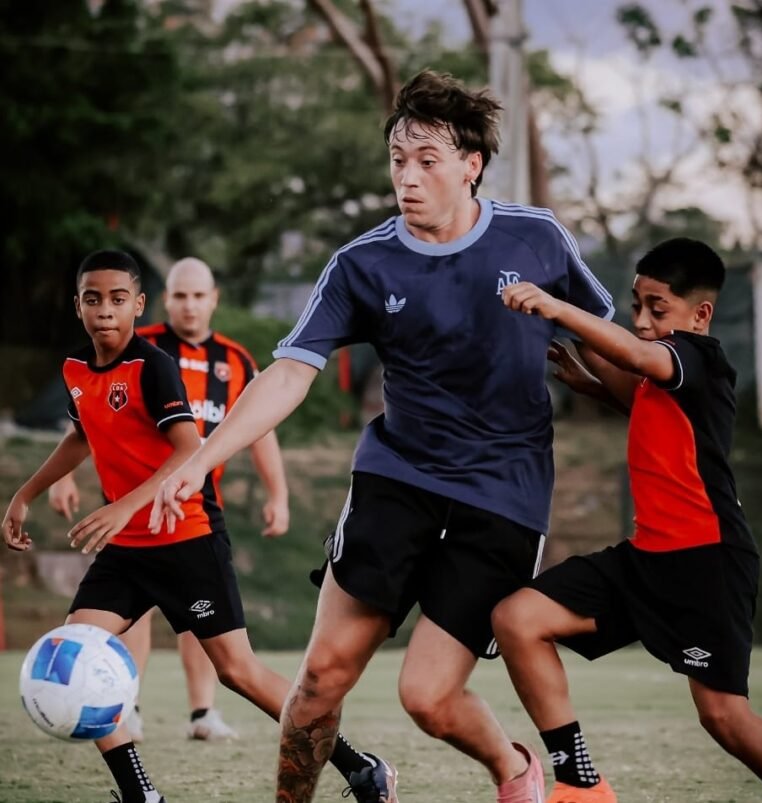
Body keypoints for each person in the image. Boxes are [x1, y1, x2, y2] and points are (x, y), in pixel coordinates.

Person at [150, 70, 614, 803]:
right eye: (398, 158)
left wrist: (644, 391)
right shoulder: (362, 263)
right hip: (399, 480)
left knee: (426, 697)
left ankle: (512, 767)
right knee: (319, 681)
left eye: (428, 159)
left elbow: (611, 339)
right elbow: (289, 375)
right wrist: (200, 459)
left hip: (504, 494)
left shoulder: (538, 237)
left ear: (472, 165)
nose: (408, 175)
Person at [2, 250, 397, 803]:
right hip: (126, 551)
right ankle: (141, 793)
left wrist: (122, 507)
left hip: (187, 539)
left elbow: (188, 450)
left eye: (118, 300)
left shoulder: (153, 364)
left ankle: (360, 766)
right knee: (76, 652)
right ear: (78, 306)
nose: (105, 311)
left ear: (138, 305)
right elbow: (81, 435)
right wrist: (27, 493)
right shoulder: (74, 370)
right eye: (93, 299)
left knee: (238, 672)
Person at [494, 237, 762, 802]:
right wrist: (585, 375)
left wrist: (557, 306)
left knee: (725, 720)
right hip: (646, 560)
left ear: (701, 314)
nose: (642, 320)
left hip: (706, 565)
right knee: (518, 619)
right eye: (636, 305)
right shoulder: (666, 374)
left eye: (657, 309)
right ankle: (580, 785)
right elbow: (640, 392)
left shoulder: (700, 358)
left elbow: (635, 356)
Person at [48, 256, 290, 743]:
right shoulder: (139, 344)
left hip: (191, 512)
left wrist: (277, 492)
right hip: (128, 508)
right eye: (180, 295)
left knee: (208, 637)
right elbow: (84, 416)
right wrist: (59, 478)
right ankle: (127, 705)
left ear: (214, 299)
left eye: (199, 296)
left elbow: (259, 428)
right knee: (120, 618)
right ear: (162, 300)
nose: (190, 305)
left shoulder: (237, 361)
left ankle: (203, 713)